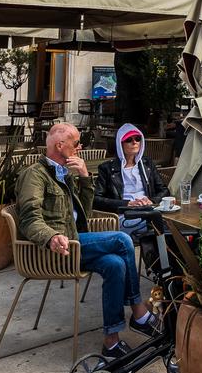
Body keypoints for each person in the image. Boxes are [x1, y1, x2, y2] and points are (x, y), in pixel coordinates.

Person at [15, 122, 156, 359]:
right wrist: (50, 236)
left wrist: (83, 177)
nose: (80, 147)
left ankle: (111, 342)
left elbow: (85, 213)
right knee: (122, 240)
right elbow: (29, 219)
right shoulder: (35, 176)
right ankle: (139, 312)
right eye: (76, 143)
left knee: (115, 264)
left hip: (75, 243)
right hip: (56, 249)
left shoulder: (63, 173)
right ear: (60, 146)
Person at [93, 123, 171, 254]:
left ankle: (162, 262)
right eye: (129, 140)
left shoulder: (147, 164)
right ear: (120, 144)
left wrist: (151, 200)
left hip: (149, 210)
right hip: (125, 214)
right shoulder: (107, 168)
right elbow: (96, 199)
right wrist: (127, 203)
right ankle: (162, 263)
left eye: (138, 139)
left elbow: (164, 189)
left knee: (164, 225)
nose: (134, 142)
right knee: (162, 226)